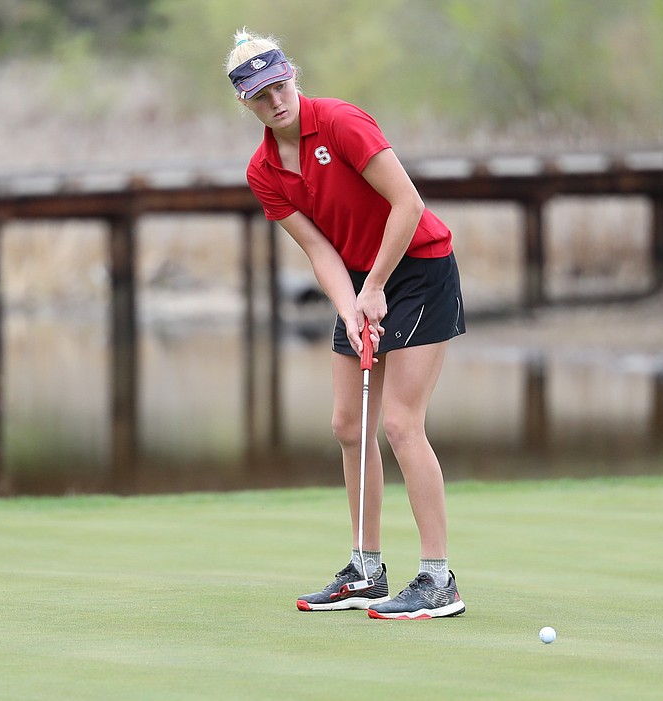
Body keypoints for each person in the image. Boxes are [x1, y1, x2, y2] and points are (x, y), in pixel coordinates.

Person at [224, 28, 466, 620]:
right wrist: (351, 306)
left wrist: (377, 288)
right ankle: (366, 570)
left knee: (402, 423)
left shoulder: (339, 123)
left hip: (419, 266)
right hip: (361, 279)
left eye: (280, 85)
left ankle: (439, 580)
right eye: (261, 95)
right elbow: (319, 251)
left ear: (292, 76)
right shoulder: (263, 171)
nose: (276, 101)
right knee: (347, 424)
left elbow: (407, 203)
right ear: (245, 103)